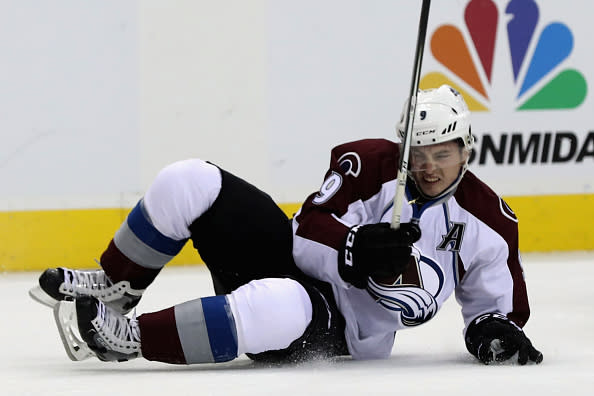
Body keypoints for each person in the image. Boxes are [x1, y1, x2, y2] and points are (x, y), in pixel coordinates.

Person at [30, 84, 543, 366]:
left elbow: (495, 307)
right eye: (419, 152)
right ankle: (118, 286)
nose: (429, 165)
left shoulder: (489, 221)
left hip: (341, 325)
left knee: (283, 302)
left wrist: (494, 332)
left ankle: (131, 336)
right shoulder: (367, 164)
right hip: (290, 261)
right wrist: (355, 246)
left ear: (466, 148)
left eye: (444, 153)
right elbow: (308, 227)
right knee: (188, 180)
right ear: (402, 147)